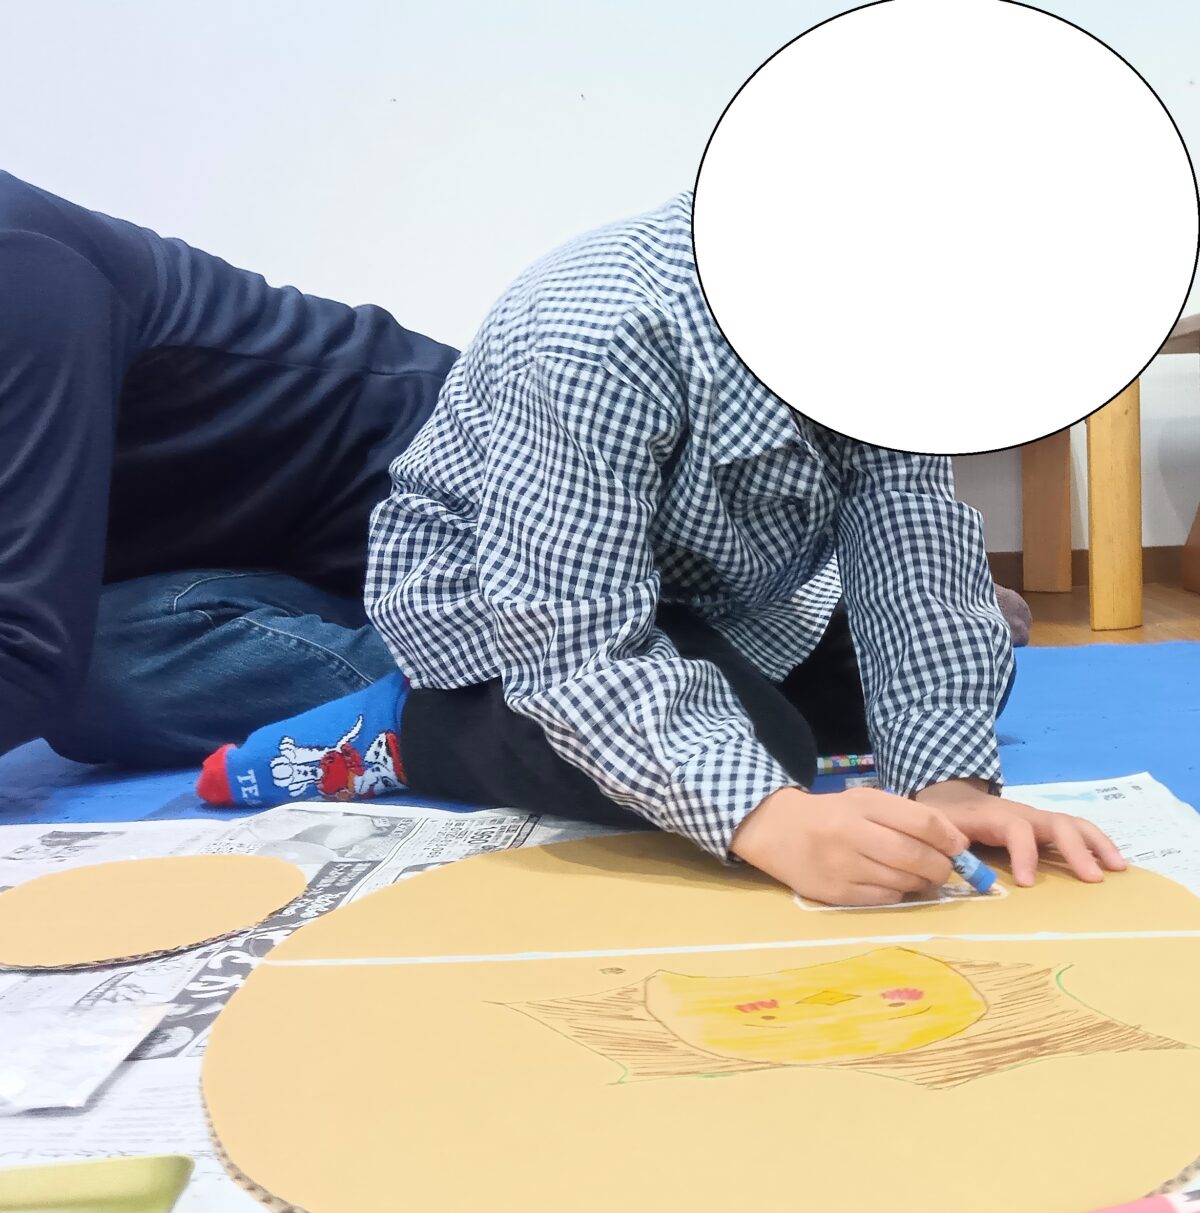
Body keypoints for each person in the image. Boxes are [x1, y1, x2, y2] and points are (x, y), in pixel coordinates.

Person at [200, 191, 1122, 906]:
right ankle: (416, 728)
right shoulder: (601, 330)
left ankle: (718, 705)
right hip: (514, 600)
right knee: (766, 750)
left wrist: (949, 791)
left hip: (728, 592)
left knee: (971, 655)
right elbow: (570, 640)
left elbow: (911, 540)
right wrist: (772, 822)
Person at [0, 172, 457, 768]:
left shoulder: (18, 265)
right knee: (107, 671)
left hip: (447, 514)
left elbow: (26, 653)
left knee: (93, 680)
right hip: (257, 572)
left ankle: (504, 703)